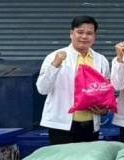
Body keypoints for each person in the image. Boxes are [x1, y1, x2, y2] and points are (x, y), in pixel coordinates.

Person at [36, 15, 111, 145]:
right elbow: (42, 89)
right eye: (80, 32)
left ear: (94, 36)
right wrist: (55, 65)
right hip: (61, 126)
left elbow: (106, 91)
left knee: (88, 158)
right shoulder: (54, 57)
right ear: (71, 33)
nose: (84, 36)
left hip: (90, 125)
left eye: (89, 33)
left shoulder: (101, 60)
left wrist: (105, 110)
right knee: (63, 158)